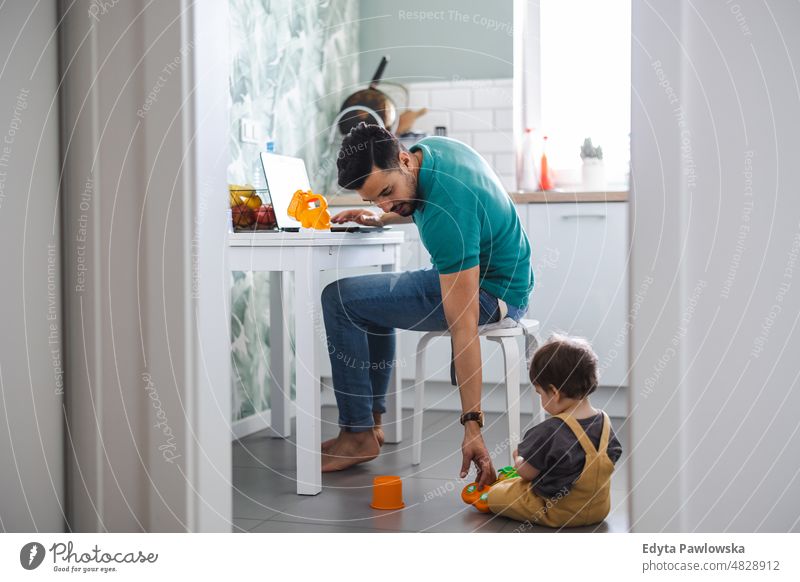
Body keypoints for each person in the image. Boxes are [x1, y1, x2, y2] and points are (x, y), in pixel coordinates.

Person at [320, 122, 534, 488]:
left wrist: (472, 427)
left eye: (386, 192)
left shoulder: (445, 211)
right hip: (508, 282)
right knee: (370, 302)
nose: (385, 204)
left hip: (491, 294)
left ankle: (358, 433)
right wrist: (381, 215)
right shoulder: (431, 151)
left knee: (339, 299)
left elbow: (464, 327)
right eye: (375, 200)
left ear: (404, 159)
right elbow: (411, 200)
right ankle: (368, 427)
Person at [487, 335, 623, 527]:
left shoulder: (550, 430)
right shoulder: (605, 423)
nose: (541, 399)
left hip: (557, 512)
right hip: (599, 510)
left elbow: (528, 474)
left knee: (496, 494)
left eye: (540, 393)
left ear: (555, 392)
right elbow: (612, 456)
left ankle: (492, 496)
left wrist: (519, 460)